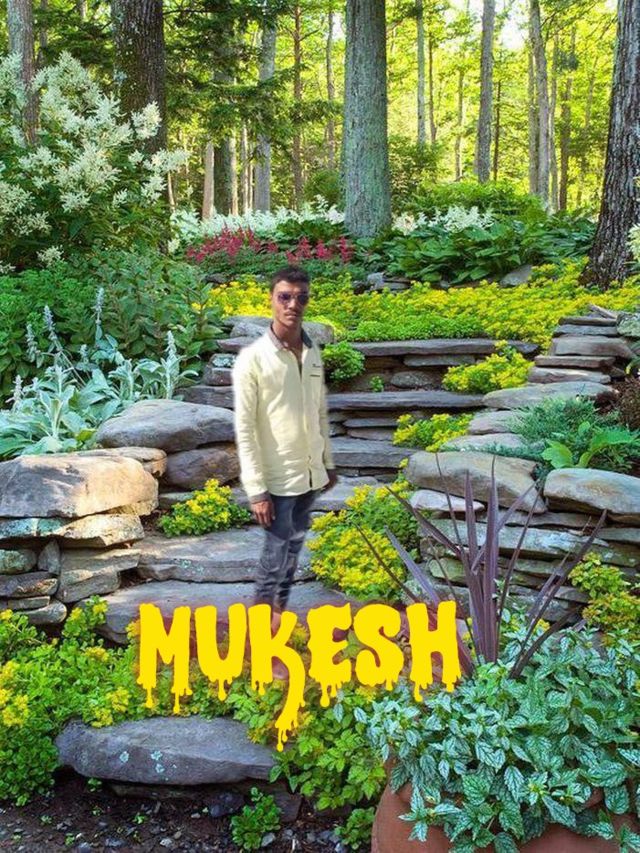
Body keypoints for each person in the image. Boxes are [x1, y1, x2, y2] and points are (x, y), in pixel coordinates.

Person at [231, 265, 338, 623]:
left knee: (294, 544)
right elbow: (245, 428)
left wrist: (326, 463)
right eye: (285, 297)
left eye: (301, 298)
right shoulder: (253, 360)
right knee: (276, 548)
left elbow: (318, 411)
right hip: (277, 477)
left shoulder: (311, 352)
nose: (293, 304)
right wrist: (257, 490)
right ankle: (263, 616)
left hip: (309, 473)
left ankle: (280, 612)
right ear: (272, 299)